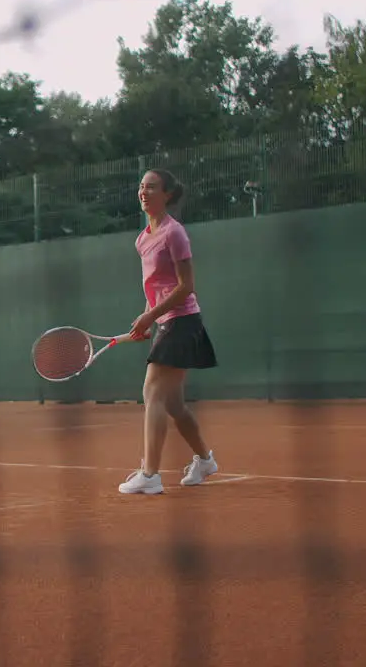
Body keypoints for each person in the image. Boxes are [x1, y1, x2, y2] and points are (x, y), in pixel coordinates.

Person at [117, 168, 220, 495]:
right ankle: (205, 460)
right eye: (141, 187)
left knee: (152, 393)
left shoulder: (175, 233)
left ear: (168, 195)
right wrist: (150, 321)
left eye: (151, 187)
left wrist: (151, 316)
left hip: (184, 321)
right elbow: (155, 288)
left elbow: (186, 286)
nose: (143, 193)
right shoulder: (143, 238)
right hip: (168, 322)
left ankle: (150, 474)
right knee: (173, 404)